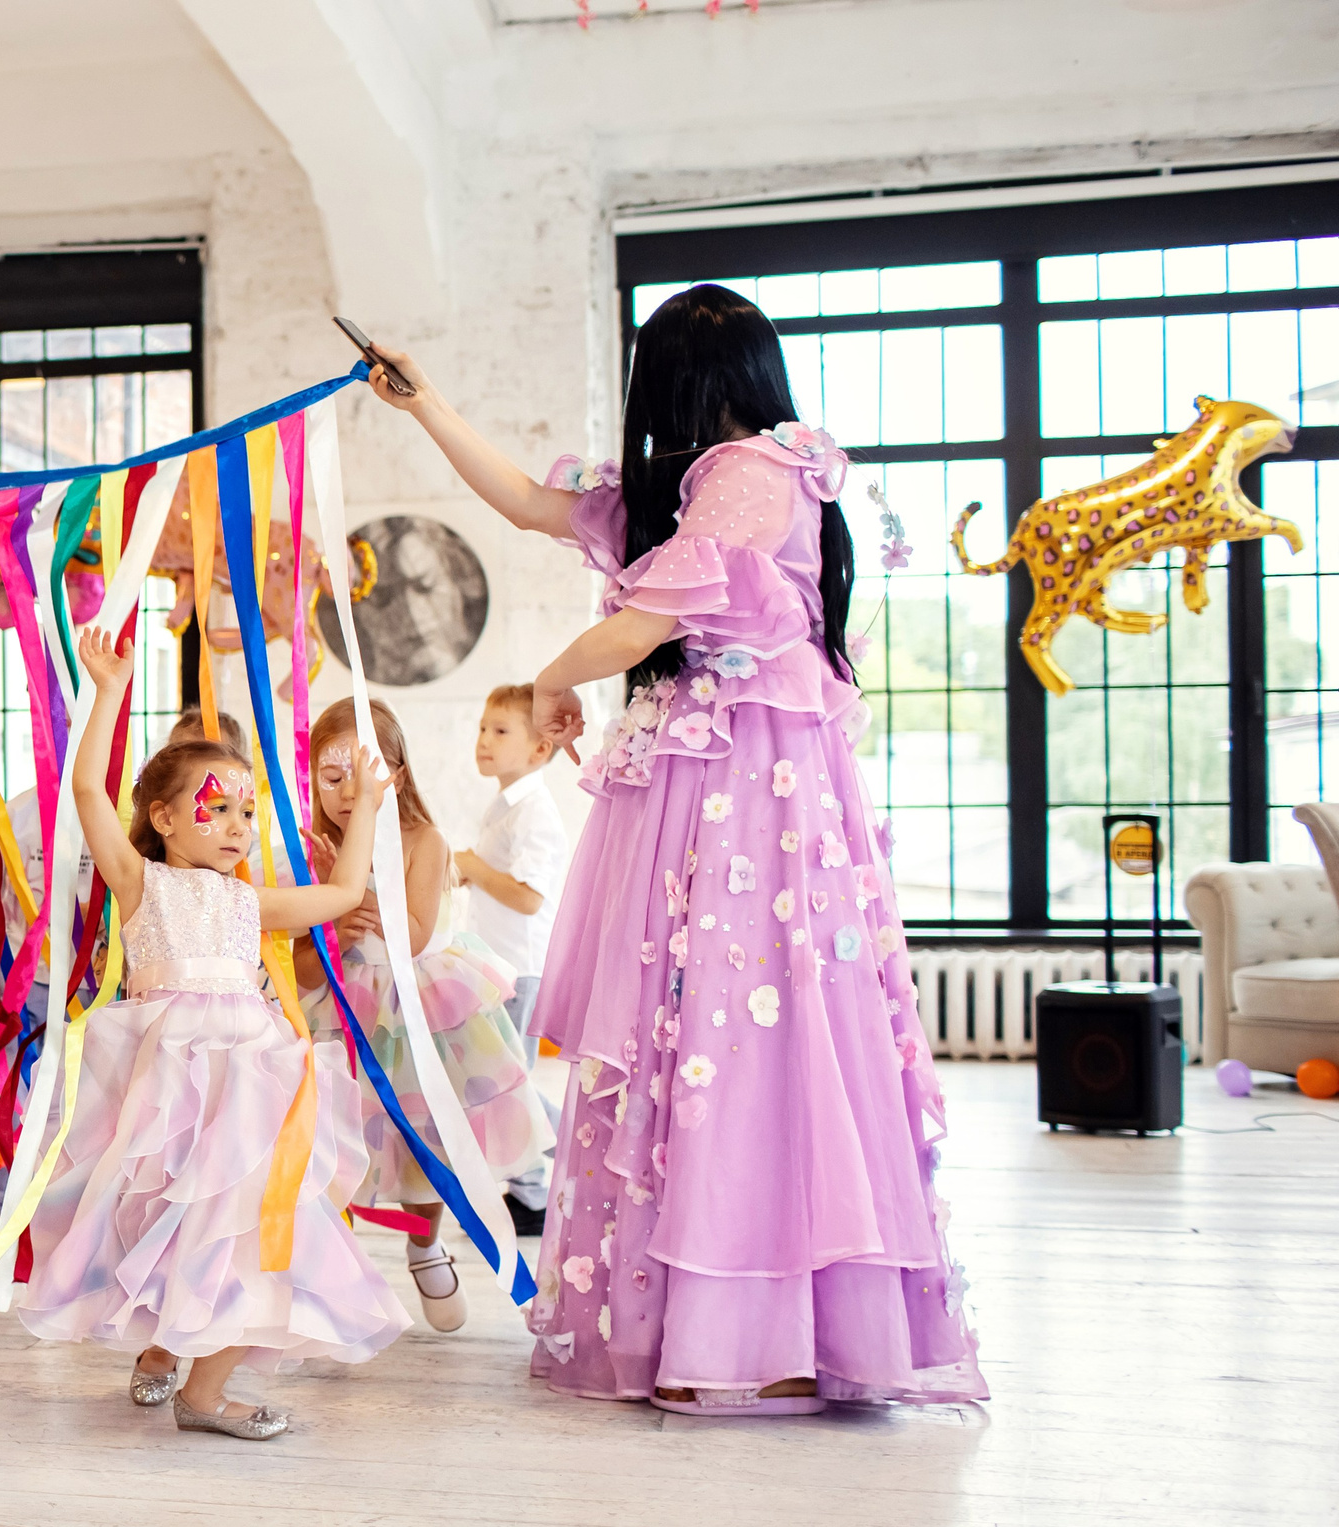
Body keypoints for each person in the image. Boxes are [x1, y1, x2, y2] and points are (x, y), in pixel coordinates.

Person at [363, 290, 986, 1416]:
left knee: (750, 1038)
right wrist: (426, 406)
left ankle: (775, 1337)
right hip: (699, 785)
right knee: (694, 1036)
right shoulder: (690, 487)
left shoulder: (756, 473)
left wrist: (547, 687)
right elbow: (531, 506)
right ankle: (709, 1329)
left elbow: (640, 626)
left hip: (754, 792)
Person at [14, 628, 408, 1441]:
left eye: (247, 811)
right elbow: (87, 790)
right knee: (166, 1209)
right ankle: (164, 1345)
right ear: (162, 817)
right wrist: (109, 693)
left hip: (248, 1079)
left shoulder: (247, 900)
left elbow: (341, 893)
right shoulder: (140, 881)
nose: (236, 826)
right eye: (216, 809)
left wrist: (366, 805)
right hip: (168, 1080)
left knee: (243, 1213)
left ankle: (204, 1385)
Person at [0, 708, 250, 1255]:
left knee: (93, 1109)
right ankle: (2, 1205)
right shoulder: (19, 814)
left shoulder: (185, 843)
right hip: (30, 980)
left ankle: (91, 1212)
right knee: (10, 1090)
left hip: (102, 991)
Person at [292, 698, 546, 1334]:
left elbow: (414, 933)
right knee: (331, 1135)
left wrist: (352, 890)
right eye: (331, 775)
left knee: (424, 1136)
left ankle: (425, 1242)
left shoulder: (423, 841)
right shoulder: (309, 846)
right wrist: (331, 928)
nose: (349, 791)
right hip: (340, 1007)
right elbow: (298, 965)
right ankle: (330, 1260)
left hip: (419, 1007)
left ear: (395, 775)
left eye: (364, 771)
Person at [455, 683, 571, 1231]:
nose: (484, 740)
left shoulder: (533, 813)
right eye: (483, 728)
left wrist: (471, 865)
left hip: (519, 967)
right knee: (503, 1078)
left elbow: (527, 895)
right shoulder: (502, 806)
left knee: (510, 1082)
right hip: (496, 963)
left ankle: (577, 1140)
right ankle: (528, 1190)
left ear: (538, 749)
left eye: (500, 731)